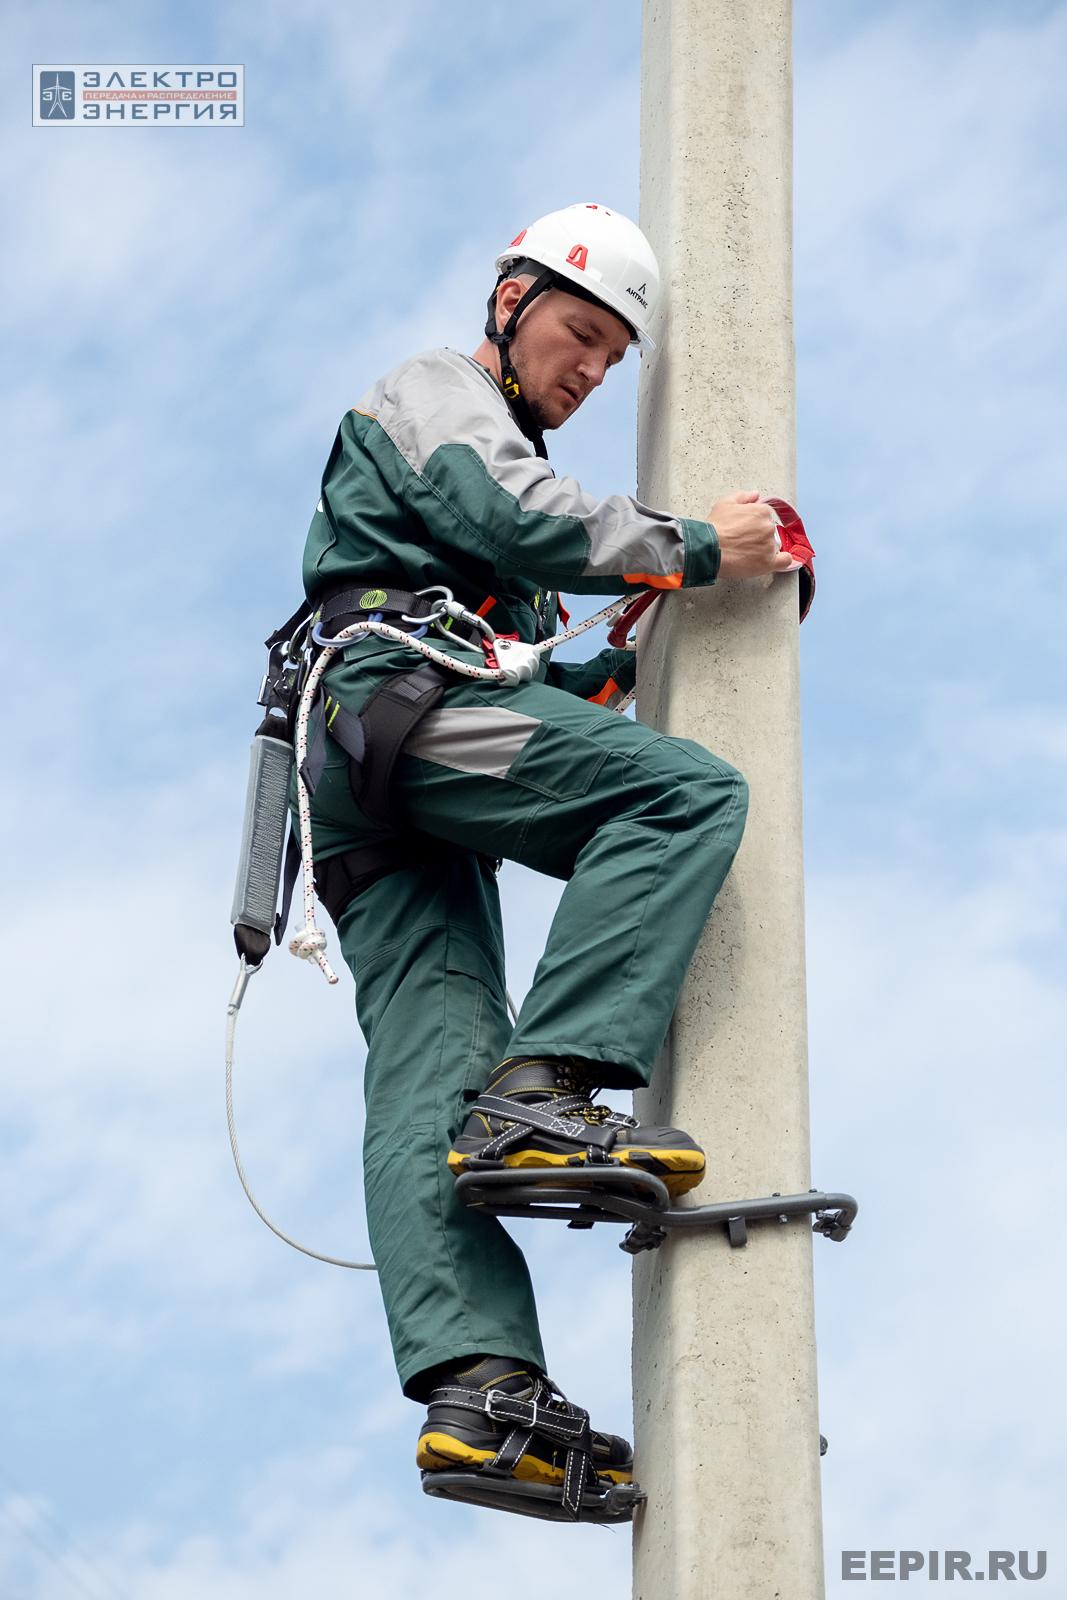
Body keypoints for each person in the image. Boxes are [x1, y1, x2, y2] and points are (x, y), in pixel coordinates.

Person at [294, 202, 792, 1514]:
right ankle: (546, 1090)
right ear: (509, 303)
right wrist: (699, 550)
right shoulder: (439, 395)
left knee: (429, 1071)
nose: (587, 368)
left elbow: (502, 649)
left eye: (610, 358)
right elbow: (514, 520)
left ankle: (482, 1394)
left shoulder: (479, 464)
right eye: (578, 334)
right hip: (397, 720)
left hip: (373, 771)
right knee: (687, 799)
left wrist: (608, 666)